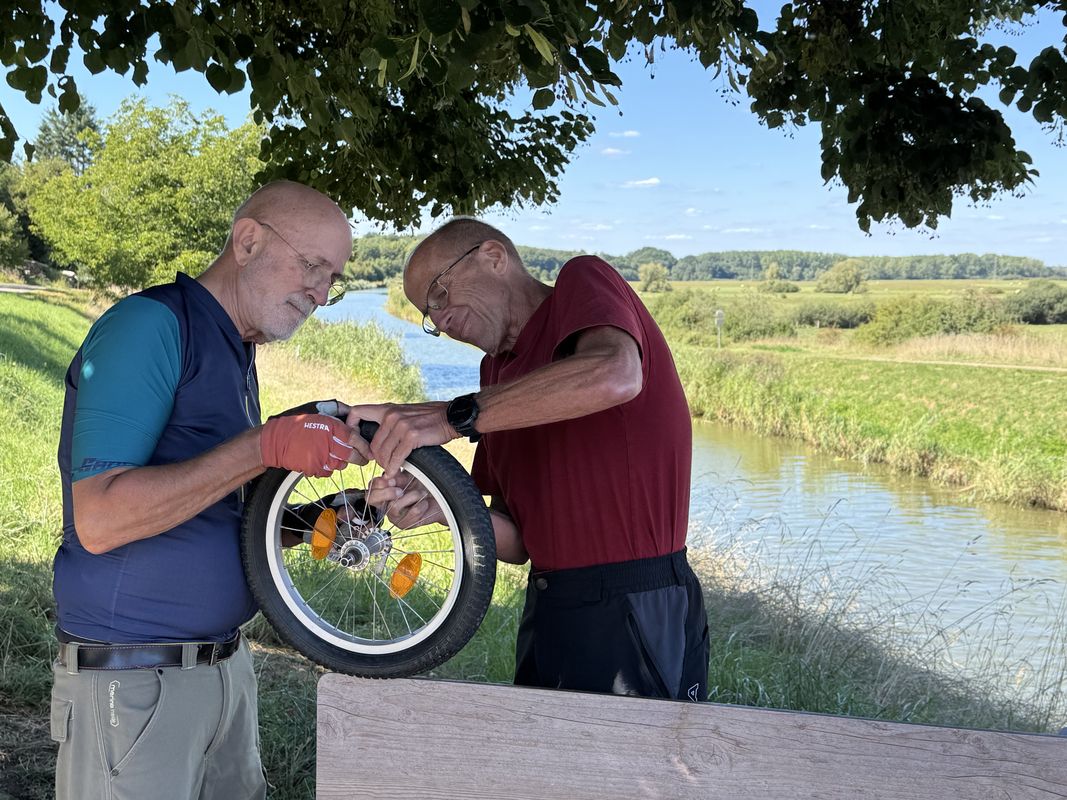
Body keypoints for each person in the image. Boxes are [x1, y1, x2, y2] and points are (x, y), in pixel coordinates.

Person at [51, 180, 360, 800]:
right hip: (135, 684)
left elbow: (219, 515)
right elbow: (102, 517)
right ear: (248, 241)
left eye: (334, 279)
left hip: (225, 674)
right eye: (312, 266)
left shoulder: (235, 348)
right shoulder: (151, 325)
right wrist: (265, 446)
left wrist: (345, 512)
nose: (321, 294)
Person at [347, 217, 709, 701]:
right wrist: (442, 505)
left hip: (637, 605)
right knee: (548, 772)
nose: (439, 319)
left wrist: (452, 417)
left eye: (438, 295)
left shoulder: (581, 283)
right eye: (427, 316)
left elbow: (616, 373)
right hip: (550, 608)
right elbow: (519, 540)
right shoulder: (496, 373)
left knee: (634, 773)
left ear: (494, 257)